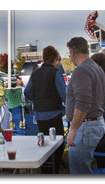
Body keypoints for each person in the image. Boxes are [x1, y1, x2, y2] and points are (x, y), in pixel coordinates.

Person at [65, 37, 105, 174]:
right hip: (94, 122)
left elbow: (83, 103)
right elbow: (104, 96)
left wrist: (73, 128)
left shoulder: (81, 70)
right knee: (83, 168)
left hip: (85, 126)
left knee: (79, 171)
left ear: (72, 53)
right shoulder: (97, 68)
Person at [24, 45, 66, 174]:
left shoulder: (35, 73)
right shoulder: (56, 72)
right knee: (57, 144)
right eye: (58, 59)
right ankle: (54, 171)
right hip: (54, 113)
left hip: (39, 114)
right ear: (54, 59)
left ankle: (45, 169)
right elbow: (64, 95)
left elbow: (27, 92)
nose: (59, 62)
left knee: (43, 143)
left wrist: (36, 100)